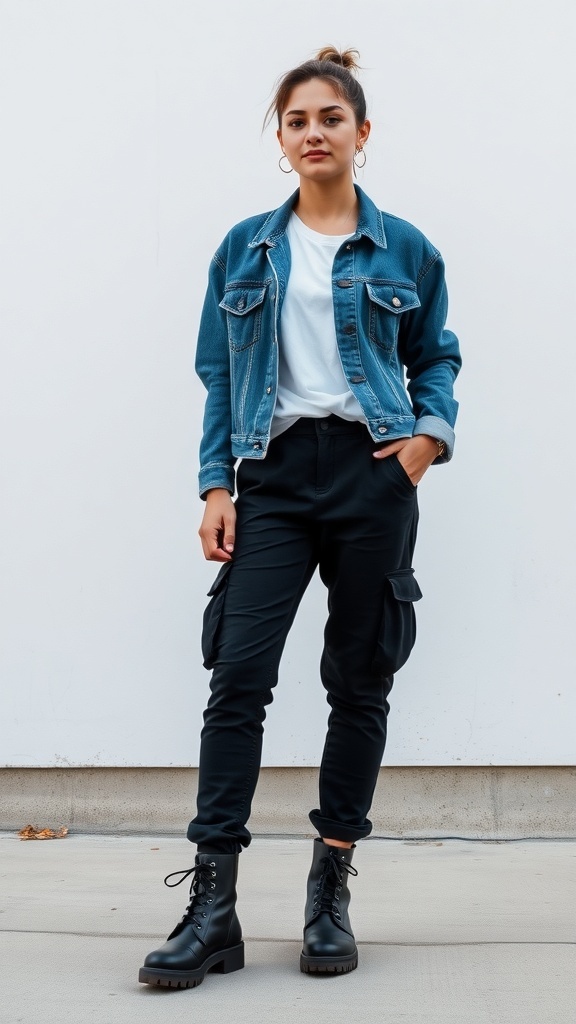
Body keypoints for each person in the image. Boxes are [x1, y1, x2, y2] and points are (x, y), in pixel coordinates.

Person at [139, 46, 461, 989]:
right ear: (280, 139)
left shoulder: (406, 248)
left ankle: (329, 892)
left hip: (372, 474)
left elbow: (437, 355)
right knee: (238, 674)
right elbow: (219, 375)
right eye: (297, 120)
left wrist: (427, 441)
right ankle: (214, 906)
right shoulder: (246, 248)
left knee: (359, 681)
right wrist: (216, 486)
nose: (314, 133)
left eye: (330, 117)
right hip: (273, 478)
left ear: (362, 133)